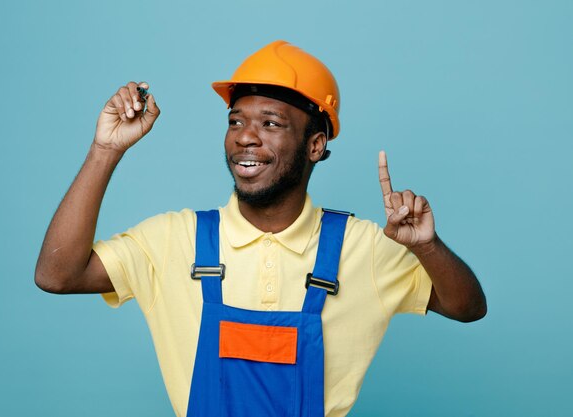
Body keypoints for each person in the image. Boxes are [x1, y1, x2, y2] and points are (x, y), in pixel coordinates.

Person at [35, 40, 486, 417]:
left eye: (270, 123)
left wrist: (427, 246)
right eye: (236, 121)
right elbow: (58, 275)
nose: (245, 137)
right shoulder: (175, 241)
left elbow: (466, 307)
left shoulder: (363, 247)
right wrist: (105, 149)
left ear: (315, 145)